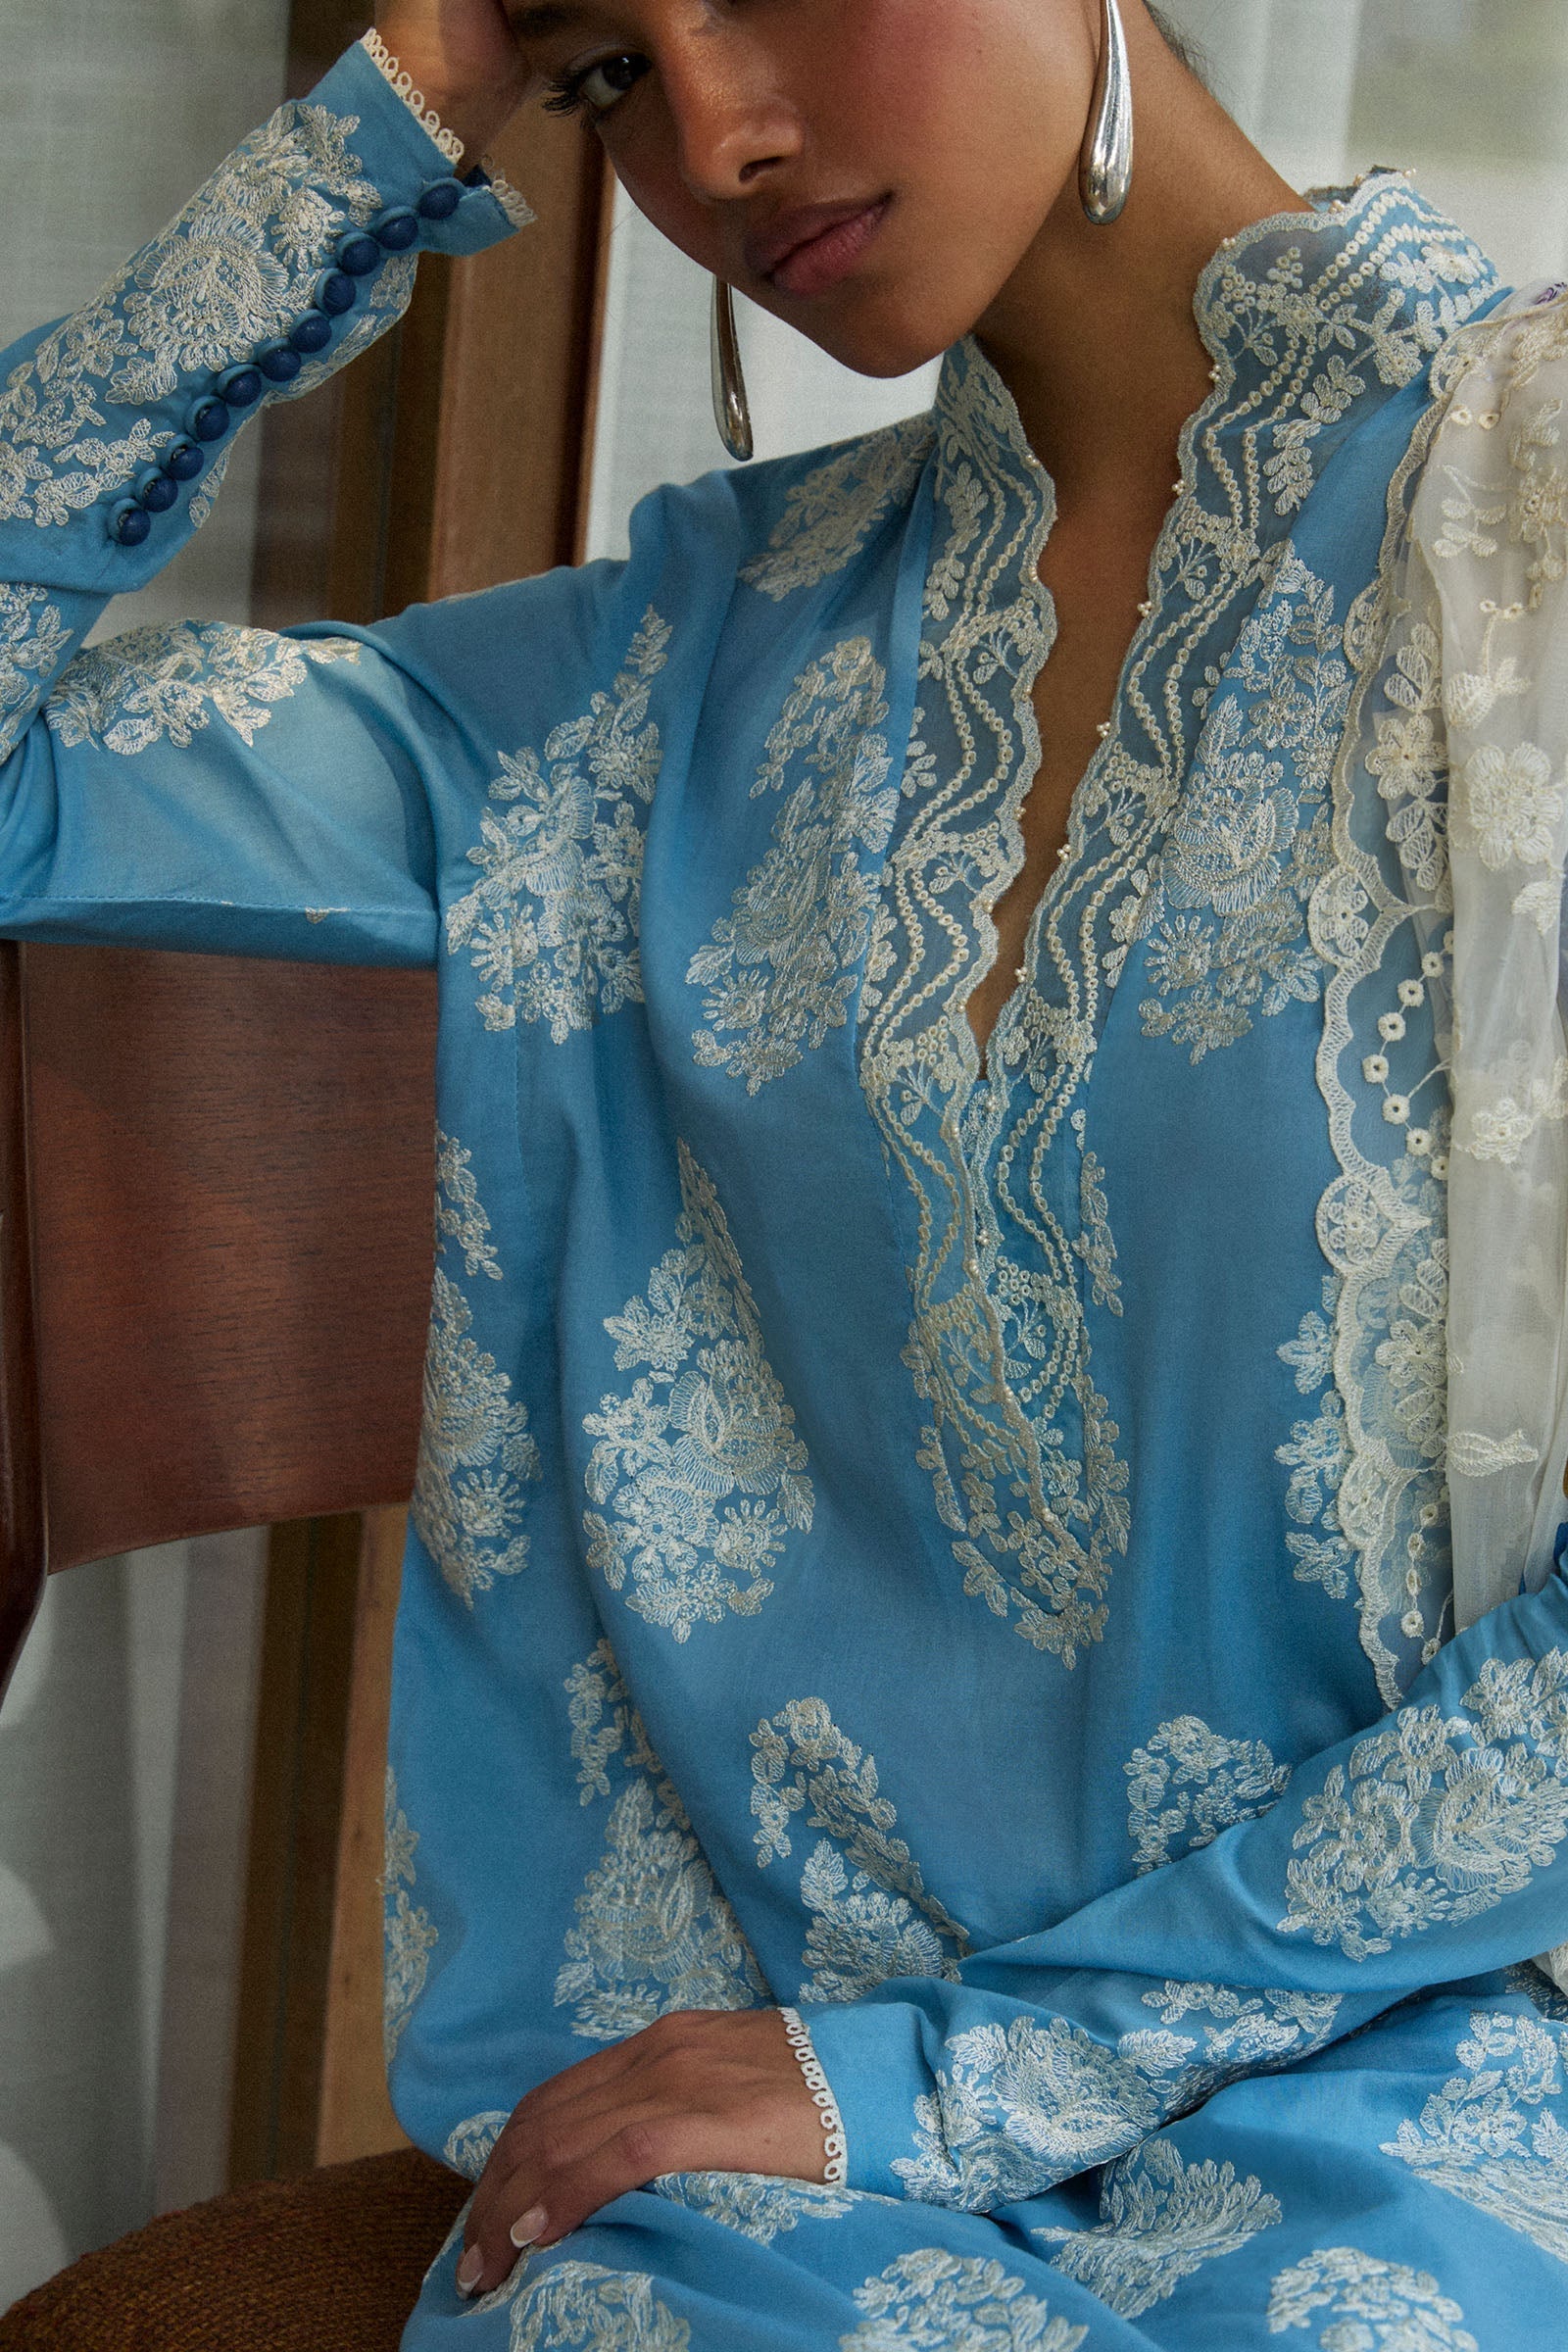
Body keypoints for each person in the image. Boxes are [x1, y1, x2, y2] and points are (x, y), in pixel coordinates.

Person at [3, 0, 1567, 2342]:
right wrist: (388, 116)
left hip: (1451, 2081)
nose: (716, 137)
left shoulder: (1533, 530)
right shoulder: (643, 690)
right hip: (770, 2179)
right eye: (601, 68)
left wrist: (966, 2073)